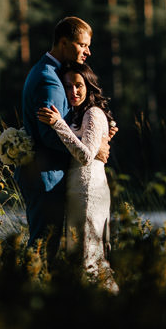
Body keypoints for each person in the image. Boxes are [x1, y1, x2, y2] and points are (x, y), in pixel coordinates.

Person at [17, 17, 109, 259]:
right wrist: (89, 151)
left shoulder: (53, 72)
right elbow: (49, 136)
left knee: (49, 246)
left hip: (50, 175)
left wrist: (98, 133)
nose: (87, 51)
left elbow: (69, 122)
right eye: (82, 45)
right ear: (64, 42)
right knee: (43, 247)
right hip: (46, 175)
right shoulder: (49, 79)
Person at [38, 61, 117, 291]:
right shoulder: (78, 115)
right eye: (68, 86)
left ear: (89, 86)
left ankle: (107, 305)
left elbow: (84, 155)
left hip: (89, 193)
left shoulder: (93, 113)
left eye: (79, 85)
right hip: (77, 194)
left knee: (90, 259)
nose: (74, 91)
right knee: (82, 256)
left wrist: (58, 125)